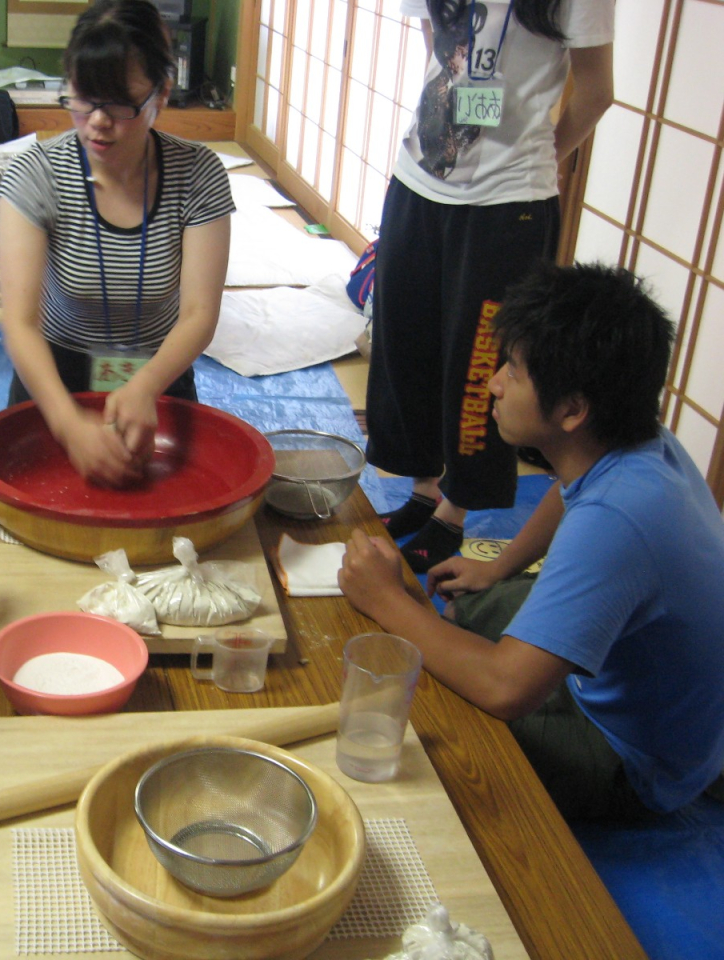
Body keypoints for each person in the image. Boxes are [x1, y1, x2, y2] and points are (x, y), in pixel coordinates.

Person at [340, 262, 724, 821]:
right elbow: (570, 490)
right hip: (655, 694)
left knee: (416, 718)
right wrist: (499, 567)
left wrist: (386, 600)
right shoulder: (637, 441)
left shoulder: (617, 517)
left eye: (513, 373)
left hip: (632, 758)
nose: (494, 385)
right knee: (463, 614)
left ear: (572, 410)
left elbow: (504, 689)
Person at [365, 0, 614, 571]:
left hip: (509, 203)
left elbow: (597, 91)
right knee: (404, 338)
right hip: (418, 177)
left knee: (480, 363)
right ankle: (423, 489)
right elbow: (438, 43)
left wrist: (536, 157)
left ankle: (453, 513)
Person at [0, 0, 234, 487]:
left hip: (160, 370)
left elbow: (199, 314)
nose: (97, 121)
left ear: (161, 95)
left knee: (173, 502)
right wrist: (67, 424)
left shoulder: (199, 174)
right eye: (83, 98)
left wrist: (146, 385)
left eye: (120, 103)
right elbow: (19, 324)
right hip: (56, 373)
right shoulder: (35, 173)